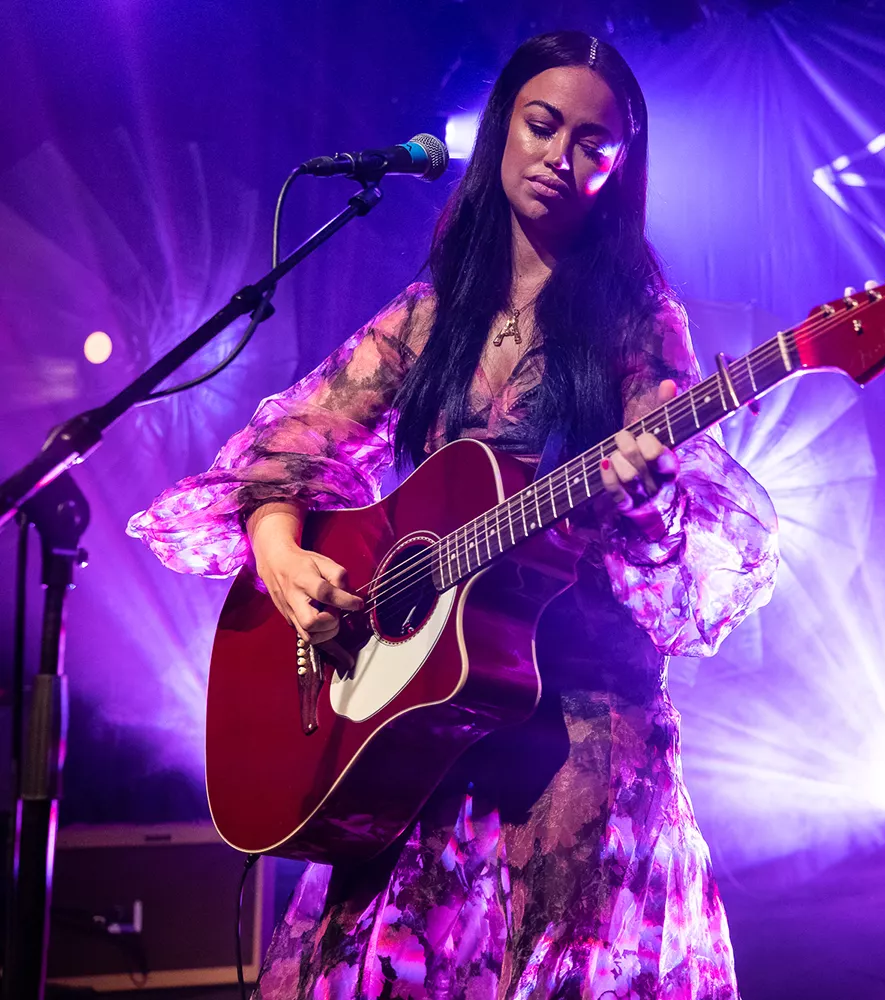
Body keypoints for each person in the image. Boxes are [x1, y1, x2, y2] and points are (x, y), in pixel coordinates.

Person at [128, 30, 777, 999]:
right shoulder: (434, 313)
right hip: (424, 736)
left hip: (579, 733)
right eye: (542, 125)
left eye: (595, 146)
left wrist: (646, 499)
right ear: (503, 128)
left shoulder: (639, 321)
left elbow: (676, 546)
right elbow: (289, 448)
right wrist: (281, 553)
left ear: (621, 170)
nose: (561, 158)